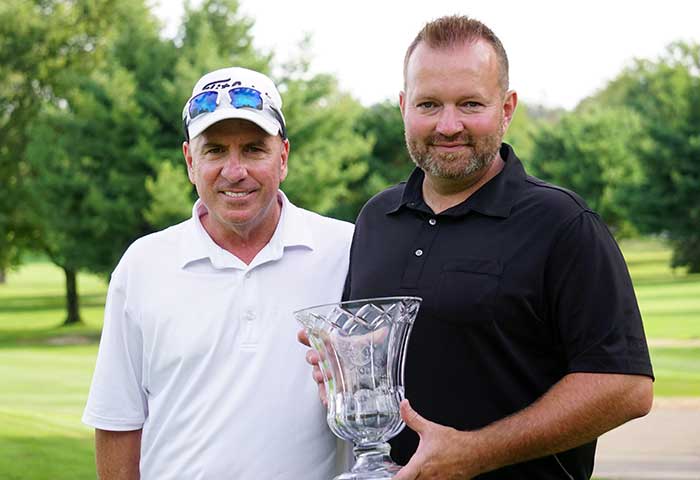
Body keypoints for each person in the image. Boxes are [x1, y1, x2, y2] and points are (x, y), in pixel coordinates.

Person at [301, 15, 653, 479]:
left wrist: (476, 452)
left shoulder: (563, 224)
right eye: (428, 104)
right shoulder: (376, 218)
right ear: (404, 106)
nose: (449, 125)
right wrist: (346, 361)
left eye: (470, 104)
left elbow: (625, 386)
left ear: (506, 108)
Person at [83, 66, 354, 479]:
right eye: (214, 151)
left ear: (282, 157)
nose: (234, 171)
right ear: (191, 161)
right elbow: (119, 420)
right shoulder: (143, 264)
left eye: (252, 149)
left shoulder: (347, 250)